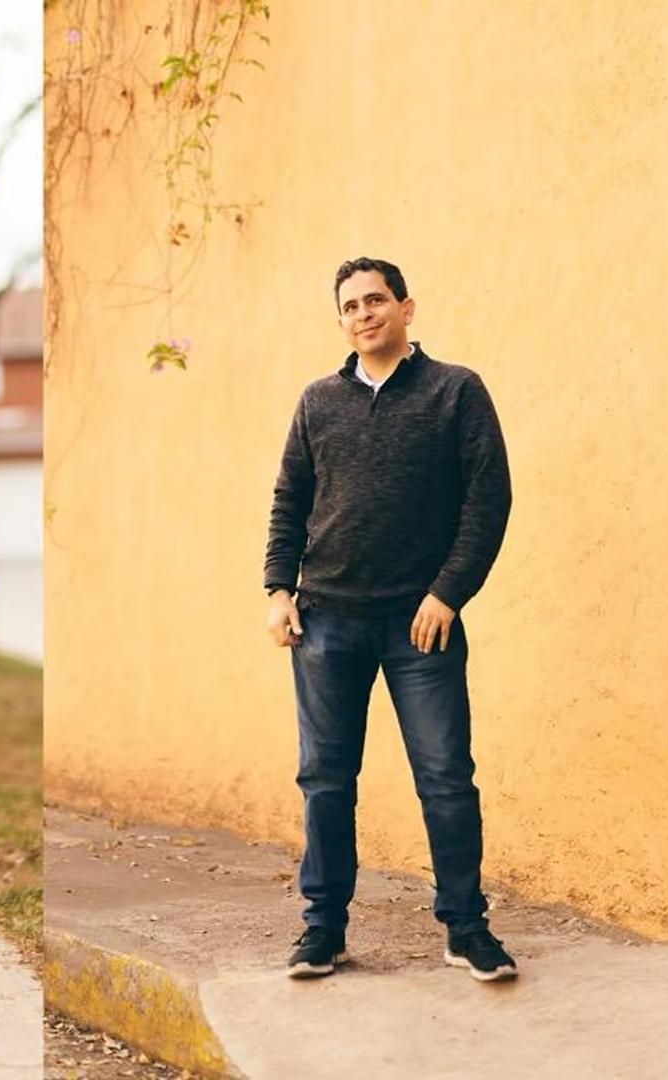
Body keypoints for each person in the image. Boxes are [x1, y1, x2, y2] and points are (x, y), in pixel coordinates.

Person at [263, 256, 516, 982]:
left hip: (420, 623)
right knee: (326, 781)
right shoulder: (317, 402)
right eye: (350, 305)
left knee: (445, 779)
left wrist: (447, 594)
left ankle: (466, 929)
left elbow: (487, 501)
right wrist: (279, 589)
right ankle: (323, 930)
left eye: (377, 299)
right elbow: (288, 501)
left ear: (407, 307)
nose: (364, 313)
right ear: (340, 320)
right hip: (326, 621)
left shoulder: (455, 392)